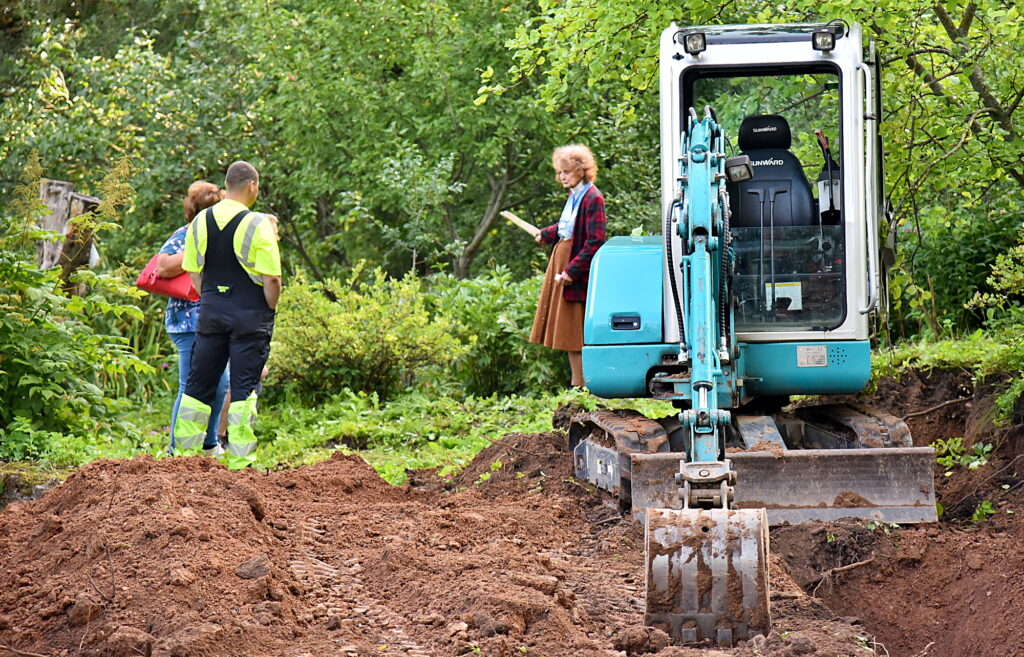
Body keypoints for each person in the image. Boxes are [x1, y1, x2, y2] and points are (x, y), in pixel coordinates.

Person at [173, 161, 282, 470]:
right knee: (244, 388)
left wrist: (210, 296)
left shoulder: (200, 221)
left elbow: (193, 271)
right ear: (252, 186)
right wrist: (269, 307)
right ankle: (239, 461)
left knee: (198, 385)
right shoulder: (258, 223)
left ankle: (183, 459)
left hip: (211, 314)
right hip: (250, 317)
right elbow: (272, 279)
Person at [157, 181, 229, 457]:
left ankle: (209, 443)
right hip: (187, 320)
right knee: (190, 385)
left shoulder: (225, 237)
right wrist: (197, 252)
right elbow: (163, 266)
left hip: (216, 318)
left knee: (221, 383)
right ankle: (177, 451)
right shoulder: (185, 235)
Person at [529, 144, 606, 388]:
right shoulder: (574, 195)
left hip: (575, 271)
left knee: (573, 330)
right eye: (560, 172)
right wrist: (546, 233)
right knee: (566, 329)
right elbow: (566, 229)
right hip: (561, 263)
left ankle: (581, 386)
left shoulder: (593, 198)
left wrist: (571, 271)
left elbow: (594, 241)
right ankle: (577, 385)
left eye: (567, 171)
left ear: (582, 171)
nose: (562, 176)